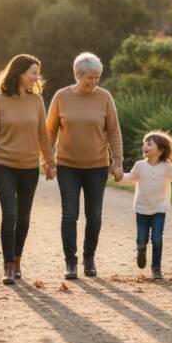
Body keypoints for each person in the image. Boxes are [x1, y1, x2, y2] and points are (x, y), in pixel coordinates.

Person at [46, 52, 123, 280]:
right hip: (68, 166)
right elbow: (50, 131)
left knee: (95, 215)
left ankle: (89, 258)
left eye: (97, 77)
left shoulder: (105, 97)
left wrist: (117, 161)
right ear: (78, 75)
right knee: (70, 214)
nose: (94, 82)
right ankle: (71, 262)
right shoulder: (61, 97)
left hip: (97, 166)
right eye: (90, 77)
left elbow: (113, 131)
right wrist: (48, 160)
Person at [0, 54, 56, 285]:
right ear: (20, 73)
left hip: (28, 168)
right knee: (10, 214)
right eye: (33, 72)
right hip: (4, 166)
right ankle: (7, 266)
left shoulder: (36, 101)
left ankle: (18, 259)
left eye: (37, 73)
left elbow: (43, 135)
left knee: (23, 217)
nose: (36, 77)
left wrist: (49, 162)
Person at [118, 131, 172, 280]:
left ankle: (156, 268)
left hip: (159, 208)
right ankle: (141, 249)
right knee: (142, 238)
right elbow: (130, 178)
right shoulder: (139, 165)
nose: (145, 146)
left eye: (149, 143)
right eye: (144, 143)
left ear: (160, 150)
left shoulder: (166, 166)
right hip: (142, 208)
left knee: (157, 238)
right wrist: (119, 176)